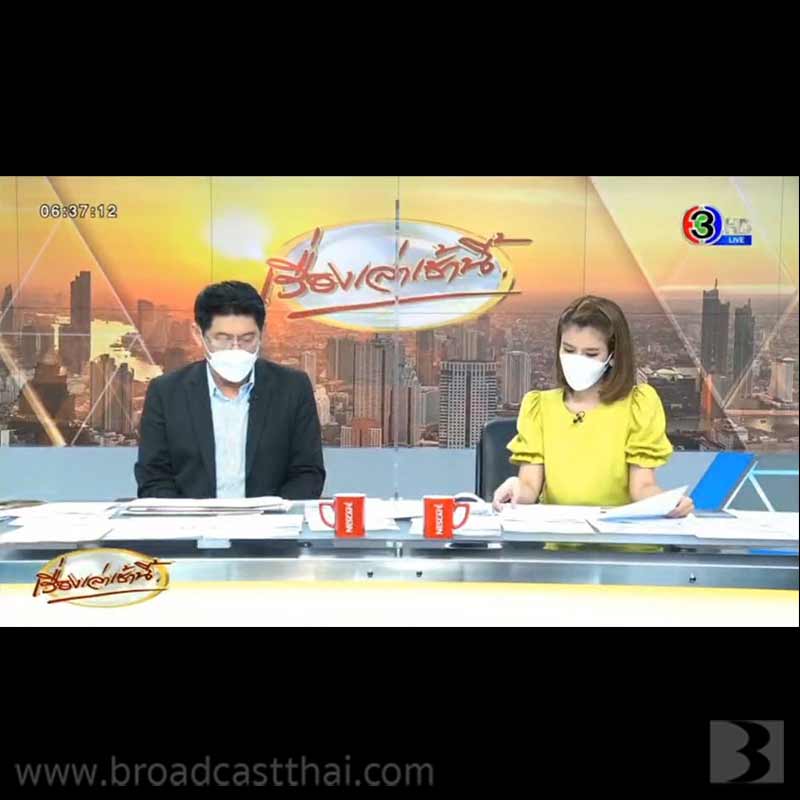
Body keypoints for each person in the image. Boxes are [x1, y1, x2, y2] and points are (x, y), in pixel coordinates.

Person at [493, 295, 694, 517]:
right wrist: (516, 487)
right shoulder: (539, 407)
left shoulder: (638, 406)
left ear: (613, 356)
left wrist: (669, 503)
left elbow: (642, 487)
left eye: (591, 353)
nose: (577, 359)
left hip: (620, 535)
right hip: (557, 535)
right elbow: (530, 487)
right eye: (568, 350)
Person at [135, 281, 325, 499]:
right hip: (191, 520)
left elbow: (308, 474)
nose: (235, 349)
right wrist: (190, 516)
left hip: (269, 519)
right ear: (198, 334)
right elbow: (153, 478)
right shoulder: (166, 392)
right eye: (223, 339)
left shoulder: (293, 388)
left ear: (262, 333)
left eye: (247, 339)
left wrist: (272, 514)